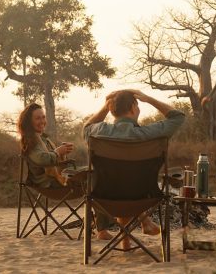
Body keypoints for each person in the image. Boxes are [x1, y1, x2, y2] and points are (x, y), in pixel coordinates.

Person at [83, 89, 186, 247]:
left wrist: (105, 108)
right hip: (145, 197)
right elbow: (178, 116)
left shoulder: (98, 132)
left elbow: (86, 127)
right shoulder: (151, 133)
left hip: (105, 198)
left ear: (112, 110)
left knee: (119, 178)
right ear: (133, 108)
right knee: (130, 180)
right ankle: (141, 226)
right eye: (137, 106)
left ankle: (127, 240)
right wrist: (149, 99)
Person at [18, 103, 113, 238]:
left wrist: (63, 154)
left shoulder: (43, 139)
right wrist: (57, 152)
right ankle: (101, 228)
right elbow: (41, 159)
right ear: (29, 121)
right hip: (49, 184)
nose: (42, 121)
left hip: (57, 179)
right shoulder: (30, 140)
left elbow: (55, 162)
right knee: (96, 178)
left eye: (43, 117)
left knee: (98, 172)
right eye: (38, 118)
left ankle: (100, 225)